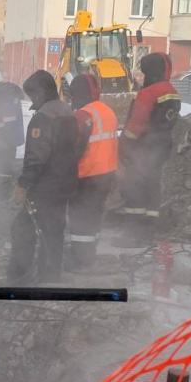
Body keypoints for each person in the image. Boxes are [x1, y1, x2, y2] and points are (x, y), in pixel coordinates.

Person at [8, 70, 80, 284]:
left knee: (23, 228)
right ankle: (51, 275)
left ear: (40, 92)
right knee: (54, 229)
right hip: (65, 182)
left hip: (45, 186)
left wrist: (23, 185)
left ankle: (20, 274)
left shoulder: (43, 118)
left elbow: (36, 157)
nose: (32, 99)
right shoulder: (67, 112)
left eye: (32, 94)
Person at [116, 52, 180, 246]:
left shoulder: (148, 93)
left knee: (134, 189)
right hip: (161, 149)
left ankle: (133, 235)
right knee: (153, 189)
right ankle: (147, 234)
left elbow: (137, 124)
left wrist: (124, 146)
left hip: (142, 150)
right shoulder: (172, 91)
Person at [67, 74, 118, 270]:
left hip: (86, 175)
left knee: (81, 218)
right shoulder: (107, 111)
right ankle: (90, 253)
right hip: (106, 174)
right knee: (94, 217)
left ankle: (81, 260)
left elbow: (75, 148)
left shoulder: (83, 115)